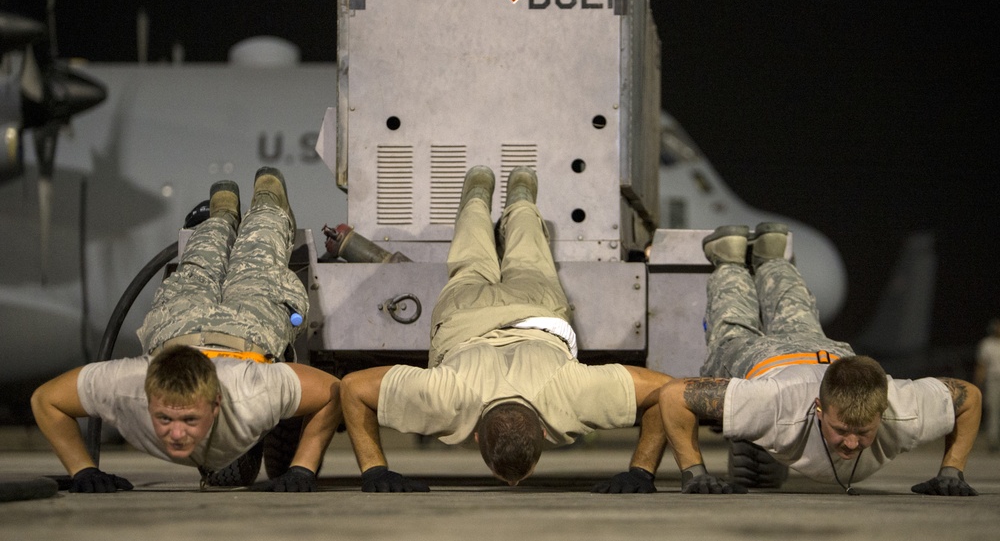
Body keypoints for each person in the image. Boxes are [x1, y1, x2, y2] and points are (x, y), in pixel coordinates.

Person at [341, 166, 672, 492]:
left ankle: (521, 192)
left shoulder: (570, 394)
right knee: (470, 261)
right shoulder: (448, 399)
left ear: (542, 431)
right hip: (465, 316)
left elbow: (665, 391)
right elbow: (354, 388)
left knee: (529, 258)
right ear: (475, 434)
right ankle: (477, 192)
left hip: (534, 311)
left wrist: (642, 470)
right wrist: (374, 470)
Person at [31, 167, 341, 493]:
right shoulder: (129, 386)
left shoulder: (249, 392)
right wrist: (82, 471)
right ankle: (237, 212)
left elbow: (333, 393)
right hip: (223, 326)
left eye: (189, 420)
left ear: (217, 403)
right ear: (148, 399)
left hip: (220, 328)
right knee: (250, 261)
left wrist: (303, 470)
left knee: (221, 262)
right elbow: (45, 400)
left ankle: (252, 207)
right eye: (164, 419)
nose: (177, 434)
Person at [657, 223, 982, 495]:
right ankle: (730, 259)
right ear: (818, 408)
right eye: (841, 429)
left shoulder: (904, 406)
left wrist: (951, 473)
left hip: (827, 354)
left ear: (884, 412)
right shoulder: (775, 404)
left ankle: (770, 256)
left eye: (864, 431)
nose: (852, 442)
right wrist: (695, 473)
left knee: (799, 322)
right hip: (769, 361)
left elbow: (969, 397)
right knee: (731, 333)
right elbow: (674, 395)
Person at [974, 318, 1000, 452]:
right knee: (993, 410)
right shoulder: (987, 344)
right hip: (994, 379)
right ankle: (993, 441)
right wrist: (978, 383)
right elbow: (982, 365)